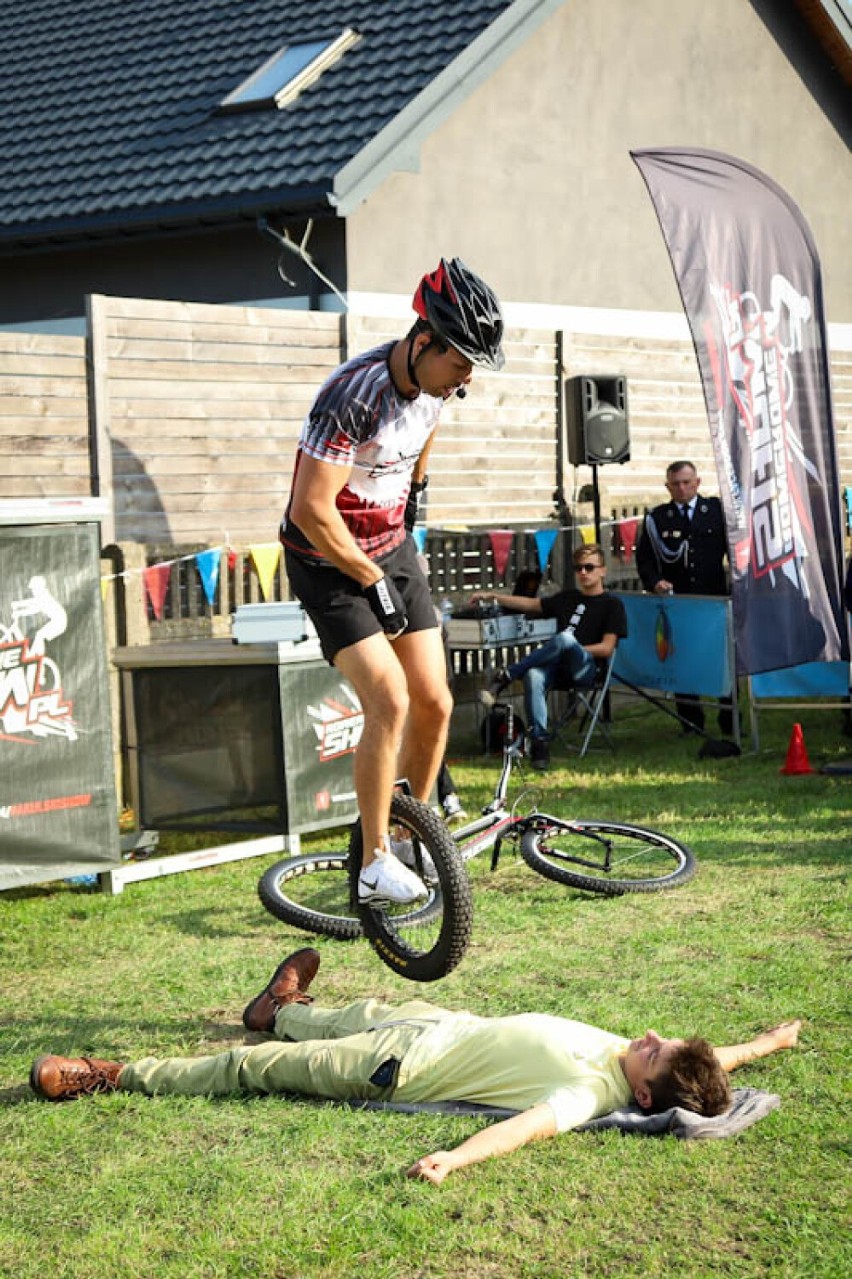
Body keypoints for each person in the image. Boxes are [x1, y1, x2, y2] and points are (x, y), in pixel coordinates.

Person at [29, 948, 802, 1187]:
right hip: (438, 1024)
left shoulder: (591, 1090)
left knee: (249, 1067)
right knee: (339, 1010)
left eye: (653, 1050)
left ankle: (110, 1073)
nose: (649, 1033)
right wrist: (763, 1045)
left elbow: (530, 1128)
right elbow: (708, 1067)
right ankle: (282, 1008)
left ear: (640, 1091)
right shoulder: (640, 1063)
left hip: (396, 1067)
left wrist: (456, 1157)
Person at [281, 258, 503, 902]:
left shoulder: (436, 389)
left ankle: (412, 836)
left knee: (435, 701)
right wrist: (366, 573)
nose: (464, 381)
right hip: (327, 559)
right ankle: (375, 861)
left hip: (391, 548)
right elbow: (309, 510)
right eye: (461, 362)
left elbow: (424, 434)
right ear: (424, 340)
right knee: (390, 700)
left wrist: (416, 498)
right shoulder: (351, 395)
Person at [472, 544, 627, 770]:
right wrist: (494, 596)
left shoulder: (613, 604)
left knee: (564, 639)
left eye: (589, 567)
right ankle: (539, 743)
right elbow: (531, 604)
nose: (583, 573)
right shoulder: (568, 598)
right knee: (534, 675)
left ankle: (507, 675)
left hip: (586, 669)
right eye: (578, 568)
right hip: (557, 668)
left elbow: (606, 648)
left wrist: (572, 647)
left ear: (603, 570)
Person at [635, 460, 732, 735]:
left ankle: (730, 721)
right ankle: (691, 723)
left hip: (713, 601)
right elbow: (644, 559)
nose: (682, 488)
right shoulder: (658, 518)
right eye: (675, 484)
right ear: (668, 486)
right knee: (682, 662)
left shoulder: (715, 512)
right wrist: (655, 582)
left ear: (697, 483)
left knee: (722, 661)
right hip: (677, 602)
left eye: (687, 482)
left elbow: (735, 554)